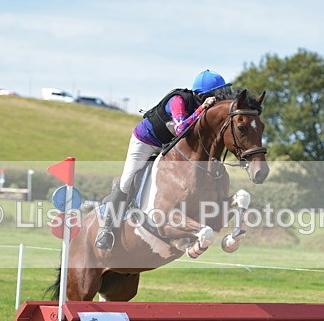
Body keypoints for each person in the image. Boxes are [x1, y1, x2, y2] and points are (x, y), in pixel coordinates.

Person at [95, 69, 232, 250]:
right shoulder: (179, 101)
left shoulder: (205, 108)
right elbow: (180, 128)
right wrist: (202, 109)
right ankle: (107, 229)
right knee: (127, 181)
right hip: (145, 141)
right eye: (217, 95)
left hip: (167, 145)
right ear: (203, 95)